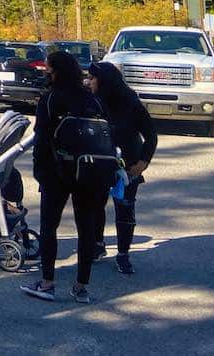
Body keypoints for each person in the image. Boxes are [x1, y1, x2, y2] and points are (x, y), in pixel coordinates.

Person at [21, 50, 113, 305]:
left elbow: (41, 138)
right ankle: (81, 286)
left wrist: (39, 171)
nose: (45, 71)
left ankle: (47, 282)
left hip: (56, 171)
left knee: (50, 226)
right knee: (86, 229)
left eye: (48, 67)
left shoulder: (51, 99)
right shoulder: (91, 99)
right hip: (90, 171)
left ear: (56, 70)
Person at [87, 61, 157, 274]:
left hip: (128, 165)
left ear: (104, 81)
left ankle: (123, 254)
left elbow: (151, 135)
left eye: (92, 78)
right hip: (98, 163)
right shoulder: (92, 102)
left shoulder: (130, 102)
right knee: (95, 206)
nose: (88, 82)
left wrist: (143, 162)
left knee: (125, 208)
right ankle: (97, 245)